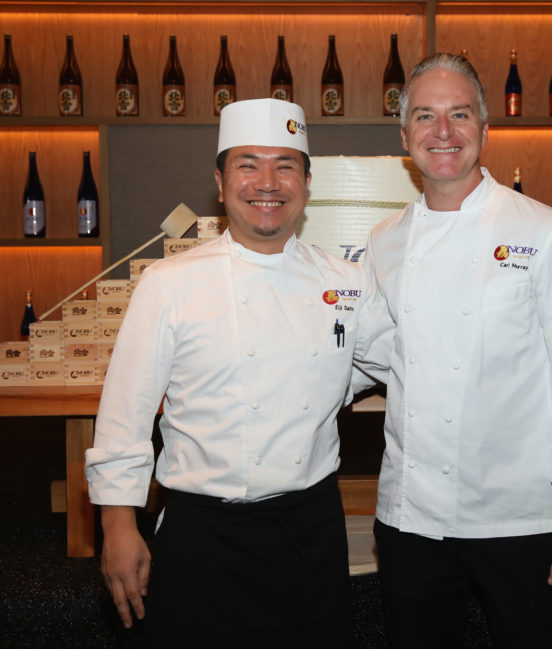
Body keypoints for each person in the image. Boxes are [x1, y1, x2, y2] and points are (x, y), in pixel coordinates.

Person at [84, 98, 390, 647]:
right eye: (248, 165)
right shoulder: (170, 284)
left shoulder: (346, 282)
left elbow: (395, 359)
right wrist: (117, 525)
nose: (267, 183)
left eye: (285, 166)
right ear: (220, 184)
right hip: (202, 535)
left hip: (310, 529)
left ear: (307, 183)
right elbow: (123, 416)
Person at [361, 53, 552, 648]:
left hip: (523, 516)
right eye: (425, 116)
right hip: (411, 518)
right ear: (404, 136)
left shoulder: (545, 232)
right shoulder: (384, 241)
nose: (442, 131)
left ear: (485, 128)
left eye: (459, 114)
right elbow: (373, 356)